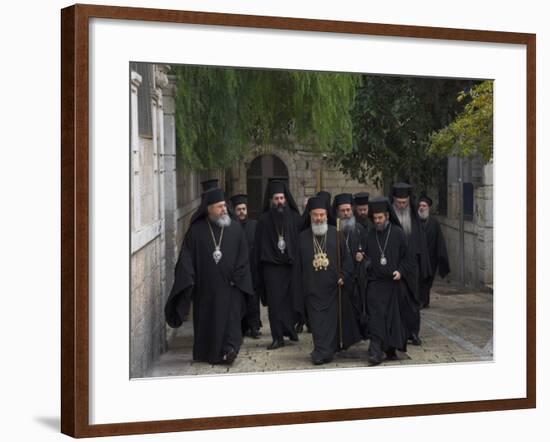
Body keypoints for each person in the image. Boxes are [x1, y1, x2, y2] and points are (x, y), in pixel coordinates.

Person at [164, 187, 253, 365]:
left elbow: (244, 257)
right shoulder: (196, 232)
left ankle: (230, 350)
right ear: (208, 208)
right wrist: (188, 279)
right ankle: (209, 353)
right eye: (219, 206)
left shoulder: (235, 229)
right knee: (209, 323)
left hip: (231, 287)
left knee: (231, 323)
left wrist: (238, 275)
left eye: (224, 206)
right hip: (206, 290)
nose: (224, 209)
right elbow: (186, 260)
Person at [295, 197, 362, 365]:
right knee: (317, 324)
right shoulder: (302, 238)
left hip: (333, 287)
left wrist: (343, 276)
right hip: (312, 289)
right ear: (310, 215)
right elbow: (297, 267)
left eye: (322, 214)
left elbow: (347, 261)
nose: (319, 218)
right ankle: (321, 350)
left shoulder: (336, 233)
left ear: (327, 215)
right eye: (315, 215)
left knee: (331, 322)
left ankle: (326, 351)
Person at [254, 179, 302, 349]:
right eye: (276, 198)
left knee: (291, 302)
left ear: (286, 199)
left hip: (291, 266)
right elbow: (258, 247)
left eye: (282, 198)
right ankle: (277, 337)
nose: (280, 201)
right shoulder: (263, 220)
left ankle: (290, 329)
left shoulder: (295, 218)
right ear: (271, 200)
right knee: (275, 304)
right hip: (272, 268)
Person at [364, 197, 410, 366]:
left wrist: (401, 271)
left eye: (380, 218)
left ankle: (389, 349)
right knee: (376, 318)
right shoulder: (370, 235)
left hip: (393, 284)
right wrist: (364, 260)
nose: (377, 221)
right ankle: (375, 352)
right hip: (375, 284)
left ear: (387, 217)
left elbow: (407, 257)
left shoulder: (397, 233)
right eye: (375, 218)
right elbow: (366, 256)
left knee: (391, 319)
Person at [391, 182, 432, 346]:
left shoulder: (414, 218)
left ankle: (413, 333)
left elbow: (421, 244)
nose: (401, 205)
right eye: (398, 203)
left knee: (413, 302)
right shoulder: (390, 217)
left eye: (404, 202)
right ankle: (398, 332)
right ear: (393, 201)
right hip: (394, 265)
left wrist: (423, 267)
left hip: (412, 268)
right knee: (397, 301)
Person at [333, 193, 370, 338]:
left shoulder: (360, 230)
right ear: (337, 212)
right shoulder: (333, 231)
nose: (346, 213)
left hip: (357, 277)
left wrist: (364, 257)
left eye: (348, 210)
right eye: (343, 211)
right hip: (340, 277)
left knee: (358, 306)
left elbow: (370, 252)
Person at [230, 193, 262, 338]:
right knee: (239, 300)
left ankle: (255, 327)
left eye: (244, 209)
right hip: (238, 271)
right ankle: (242, 328)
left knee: (253, 300)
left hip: (253, 268)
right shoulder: (230, 228)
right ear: (235, 211)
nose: (242, 212)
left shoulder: (254, 225)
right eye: (239, 209)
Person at [417, 194, 450, 308]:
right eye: (420, 205)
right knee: (419, 280)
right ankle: (421, 301)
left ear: (428, 208)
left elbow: (439, 240)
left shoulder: (434, 223)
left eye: (424, 206)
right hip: (418, 257)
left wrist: (441, 257)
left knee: (428, 281)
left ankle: (425, 301)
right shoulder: (415, 222)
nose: (421, 207)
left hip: (431, 259)